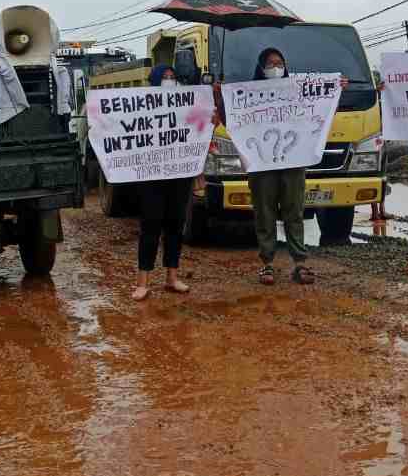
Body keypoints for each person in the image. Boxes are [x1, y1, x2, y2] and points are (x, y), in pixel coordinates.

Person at [215, 47, 316, 286]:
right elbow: (232, 123)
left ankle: (300, 262)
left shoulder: (298, 92)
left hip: (293, 163)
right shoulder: (247, 96)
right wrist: (221, 97)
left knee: (294, 211)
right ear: (261, 69)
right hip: (262, 165)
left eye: (279, 63)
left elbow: (318, 109)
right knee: (265, 213)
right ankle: (267, 264)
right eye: (270, 64)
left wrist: (334, 89)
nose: (275, 68)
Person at [131, 65, 193, 301]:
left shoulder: (186, 105)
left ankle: (172, 277)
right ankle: (142, 282)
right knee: (151, 226)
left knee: (176, 225)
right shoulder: (141, 107)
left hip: (180, 175)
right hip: (152, 176)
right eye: (164, 78)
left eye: (173, 77)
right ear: (155, 81)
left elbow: (198, 127)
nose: (169, 81)